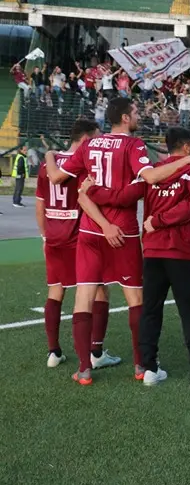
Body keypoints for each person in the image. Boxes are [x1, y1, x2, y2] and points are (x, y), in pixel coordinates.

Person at [82, 127, 190, 387]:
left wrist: (92, 191)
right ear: (186, 147)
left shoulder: (153, 173)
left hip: (153, 252)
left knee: (150, 311)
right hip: (183, 253)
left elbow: (124, 196)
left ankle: (150, 369)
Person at [46, 97, 190, 385]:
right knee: (135, 299)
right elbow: (151, 177)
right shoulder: (133, 145)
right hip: (123, 231)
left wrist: (50, 155)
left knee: (84, 297)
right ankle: (141, 366)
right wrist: (187, 161)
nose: (139, 114)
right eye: (136, 111)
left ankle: (84, 369)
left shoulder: (90, 144)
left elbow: (57, 178)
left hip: (91, 231)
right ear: (126, 118)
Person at [34, 119, 103, 368]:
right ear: (86, 139)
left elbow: (40, 204)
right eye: (96, 137)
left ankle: (54, 352)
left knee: (56, 290)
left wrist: (44, 235)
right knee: (98, 291)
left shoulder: (46, 165)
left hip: (52, 238)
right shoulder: (82, 164)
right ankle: (95, 353)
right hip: (78, 238)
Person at [11, 143, 27, 207]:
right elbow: (20, 167)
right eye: (24, 150)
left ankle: (16, 201)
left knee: (18, 188)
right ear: (21, 150)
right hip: (20, 175)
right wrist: (22, 174)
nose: (26, 151)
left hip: (18, 175)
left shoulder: (20, 156)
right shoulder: (21, 157)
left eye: (26, 150)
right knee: (19, 188)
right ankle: (16, 202)